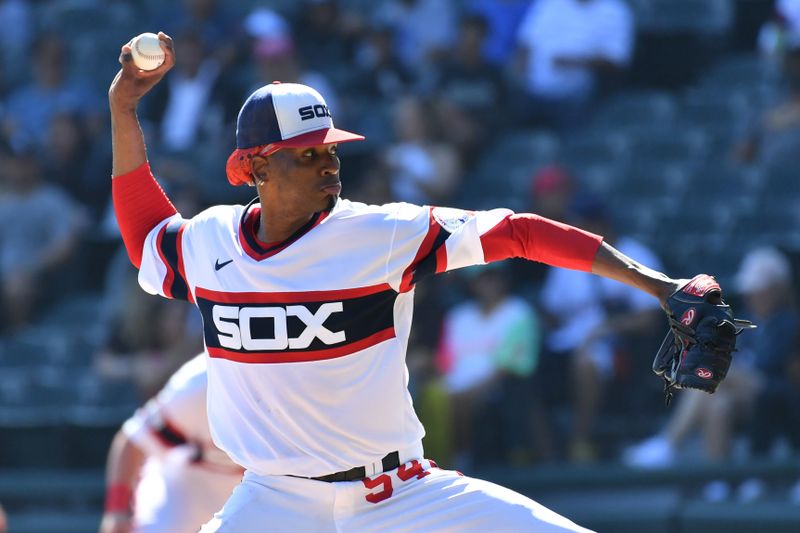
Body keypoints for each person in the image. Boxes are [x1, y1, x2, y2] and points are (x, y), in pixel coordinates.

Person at [109, 32, 713, 532]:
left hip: (400, 497)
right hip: (273, 505)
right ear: (257, 166)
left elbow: (518, 232)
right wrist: (124, 112)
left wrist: (658, 286)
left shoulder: (381, 234)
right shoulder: (209, 241)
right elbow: (146, 238)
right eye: (308, 154)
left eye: (330, 148)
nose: (330, 161)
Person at [99, 354, 243, 533]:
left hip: (261, 491)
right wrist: (117, 510)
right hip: (187, 488)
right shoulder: (200, 382)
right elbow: (133, 440)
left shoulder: (284, 381)